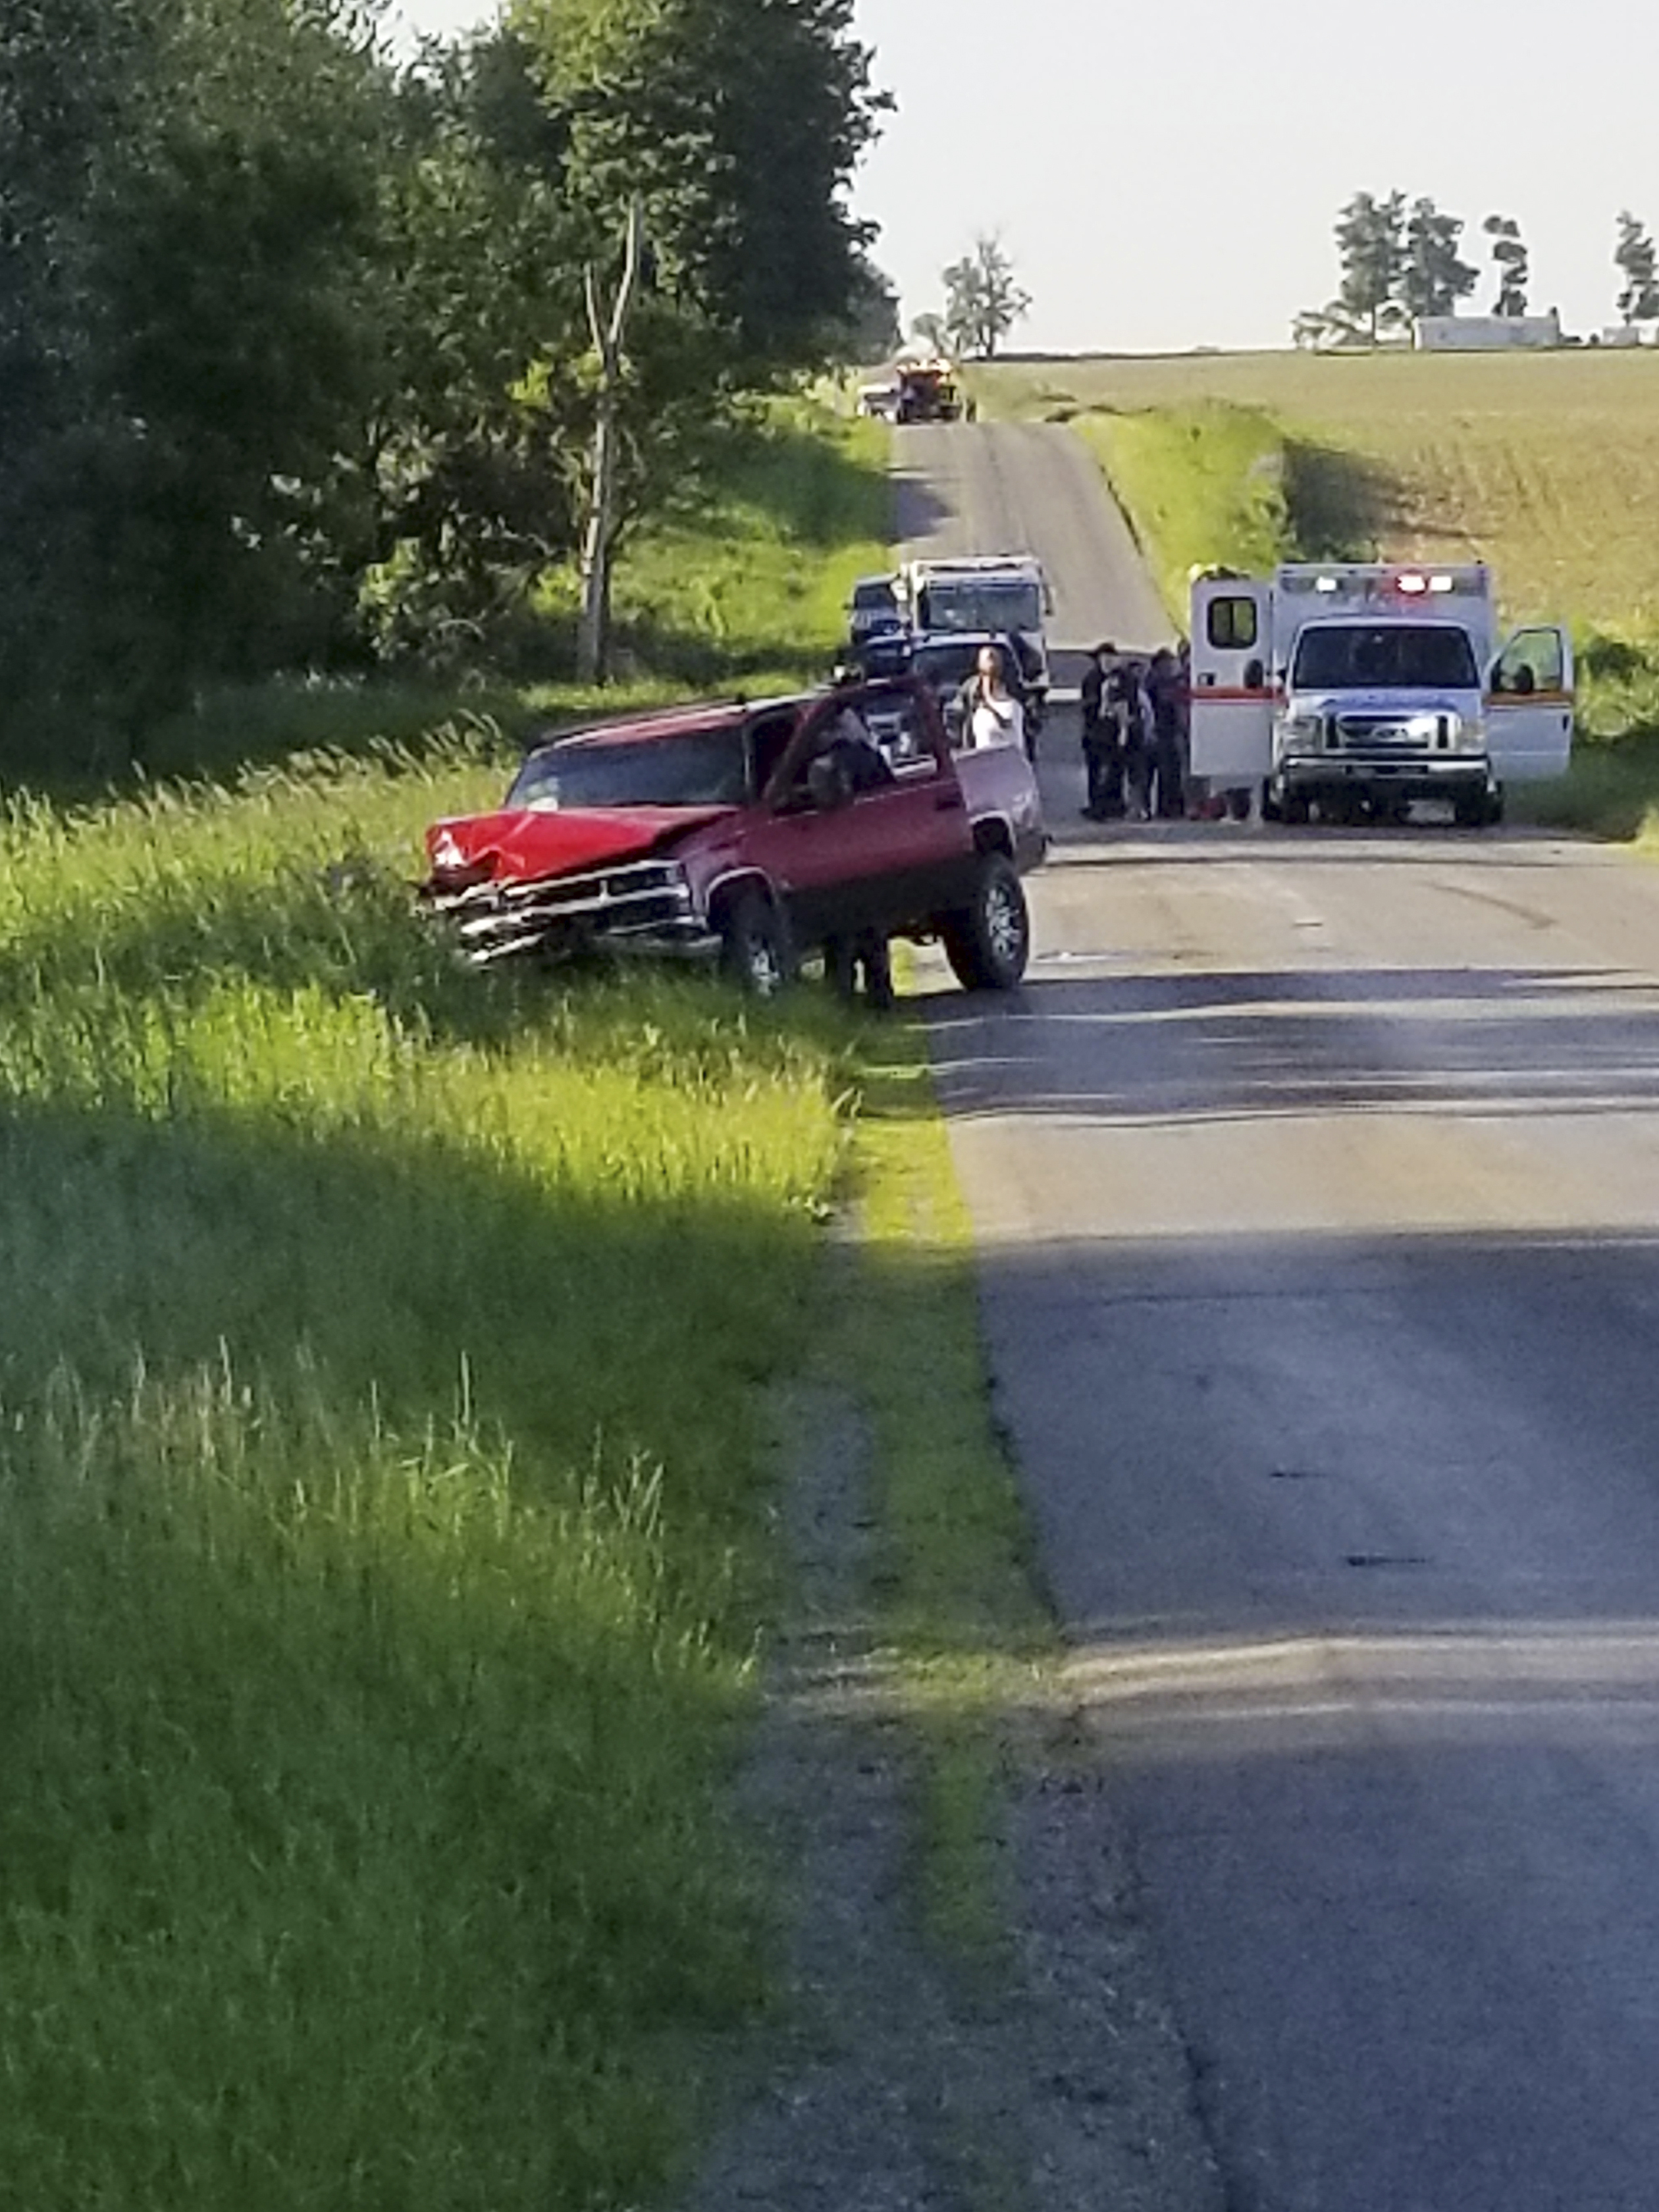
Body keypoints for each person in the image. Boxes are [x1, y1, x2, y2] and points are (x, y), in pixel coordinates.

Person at [1079, 642, 1124, 820]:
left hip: (1108, 731)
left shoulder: (1118, 678)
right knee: (1099, 771)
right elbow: (1087, 705)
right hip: (1097, 732)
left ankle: (1110, 804)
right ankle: (1099, 805)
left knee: (1111, 770)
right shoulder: (1093, 679)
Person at [955, 643, 1026, 752]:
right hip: (982, 763)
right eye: (988, 656)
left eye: (994, 656)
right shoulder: (972, 695)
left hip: (1008, 763)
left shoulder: (1013, 704)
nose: (991, 656)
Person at [1109, 656, 1154, 820]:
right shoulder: (1133, 695)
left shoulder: (1140, 693)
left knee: (1139, 777)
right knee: (1136, 776)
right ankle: (1135, 808)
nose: (1140, 674)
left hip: (1139, 737)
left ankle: (1139, 807)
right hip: (1134, 738)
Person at [1146, 647, 1186, 819]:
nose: (1170, 668)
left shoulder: (1163, 682)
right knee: (1166, 772)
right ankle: (1166, 808)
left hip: (1168, 731)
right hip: (1161, 731)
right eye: (1167, 665)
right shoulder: (1156, 683)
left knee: (1170, 772)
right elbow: (1162, 702)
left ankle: (1169, 807)